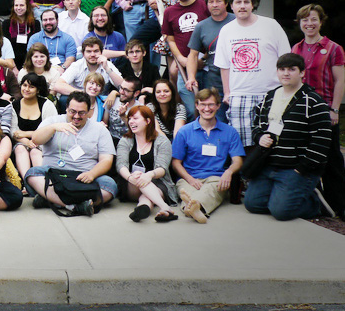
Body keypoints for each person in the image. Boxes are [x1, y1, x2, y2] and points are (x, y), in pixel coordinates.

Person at [245, 53, 333, 220]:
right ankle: (283, 196)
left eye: (292, 69)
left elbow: (322, 140)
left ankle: (315, 202)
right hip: (269, 164)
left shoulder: (313, 101)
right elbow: (256, 124)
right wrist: (259, 137)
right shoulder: (269, 97)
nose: (286, 73)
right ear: (277, 72)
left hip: (296, 168)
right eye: (282, 69)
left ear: (302, 73)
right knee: (252, 204)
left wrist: (302, 168)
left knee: (281, 212)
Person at [214, 0, 290, 149]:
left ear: (253, 4)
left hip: (271, 93)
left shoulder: (271, 25)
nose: (242, 6)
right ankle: (245, 175)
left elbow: (285, 60)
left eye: (246, 2)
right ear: (231, 5)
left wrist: (286, 90)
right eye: (238, 2)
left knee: (274, 140)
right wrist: (227, 92)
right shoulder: (226, 30)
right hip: (240, 95)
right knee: (242, 144)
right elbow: (224, 66)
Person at [25, 92, 118, 216]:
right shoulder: (53, 121)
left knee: (110, 185)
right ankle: (75, 205)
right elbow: (35, 140)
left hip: (84, 177)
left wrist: (92, 174)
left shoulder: (100, 130)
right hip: (54, 175)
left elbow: (106, 160)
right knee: (32, 174)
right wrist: (52, 128)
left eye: (81, 113)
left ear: (89, 111)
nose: (76, 116)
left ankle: (51, 199)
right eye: (72, 111)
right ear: (66, 108)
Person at [291, 4, 345, 217]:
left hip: (325, 111)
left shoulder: (334, 48)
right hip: (303, 112)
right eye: (305, 20)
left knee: (332, 158)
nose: (309, 24)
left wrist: (335, 109)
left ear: (321, 21)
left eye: (313, 19)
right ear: (300, 23)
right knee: (307, 157)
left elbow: (340, 81)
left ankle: (339, 204)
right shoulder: (296, 49)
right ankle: (316, 202)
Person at [171, 88, 245, 223]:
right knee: (187, 191)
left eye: (211, 104)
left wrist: (229, 172)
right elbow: (176, 162)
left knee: (210, 190)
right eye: (203, 104)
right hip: (189, 177)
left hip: (216, 177)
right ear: (196, 105)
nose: (207, 108)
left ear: (218, 106)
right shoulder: (184, 132)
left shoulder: (230, 132)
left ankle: (192, 206)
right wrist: (190, 179)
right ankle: (196, 208)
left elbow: (238, 160)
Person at [115, 105, 179, 222]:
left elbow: (162, 168)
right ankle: (165, 207)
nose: (131, 122)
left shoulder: (162, 141)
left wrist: (149, 175)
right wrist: (130, 177)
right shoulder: (125, 140)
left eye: (135, 118)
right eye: (129, 119)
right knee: (140, 178)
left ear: (148, 121)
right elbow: (121, 165)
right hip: (132, 183)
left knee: (146, 193)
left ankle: (142, 209)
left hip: (157, 183)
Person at [186, 0, 234, 122]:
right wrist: (191, 77)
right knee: (217, 121)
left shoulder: (236, 21)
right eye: (211, 2)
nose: (214, 5)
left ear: (226, 3)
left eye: (218, 1)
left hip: (238, 80)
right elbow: (193, 55)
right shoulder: (201, 26)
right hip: (214, 81)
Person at [12, 73, 58, 178]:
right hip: (21, 142)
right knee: (20, 149)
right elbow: (13, 131)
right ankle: (27, 181)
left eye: (31, 87)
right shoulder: (14, 105)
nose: (26, 89)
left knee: (35, 152)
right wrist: (26, 141)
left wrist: (26, 134)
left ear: (38, 90)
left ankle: (41, 182)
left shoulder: (47, 105)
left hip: (42, 143)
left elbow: (51, 129)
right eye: (24, 85)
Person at [51, 37, 123, 100]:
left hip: (101, 100)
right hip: (80, 99)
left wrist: (107, 69)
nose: (92, 55)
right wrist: (85, 93)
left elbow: (123, 86)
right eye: (89, 51)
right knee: (64, 99)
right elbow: (58, 85)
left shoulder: (107, 64)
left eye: (96, 51)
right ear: (83, 54)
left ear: (101, 52)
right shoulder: (77, 66)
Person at [3, 0, 38, 68]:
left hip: (31, 60)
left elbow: (36, 45)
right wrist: (13, 67)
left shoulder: (35, 24)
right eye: (16, 5)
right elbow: (6, 47)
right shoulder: (6, 24)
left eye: (21, 5)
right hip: (11, 61)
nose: (18, 8)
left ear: (27, 7)